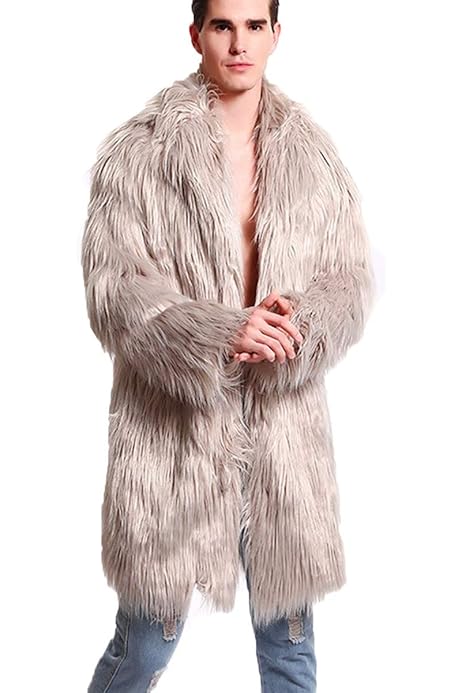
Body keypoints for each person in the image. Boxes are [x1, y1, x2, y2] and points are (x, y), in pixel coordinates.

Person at [82, 0, 376, 690]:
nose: (239, 43)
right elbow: (114, 288)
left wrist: (300, 320)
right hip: (174, 437)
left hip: (282, 439)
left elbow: (350, 278)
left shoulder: (314, 157)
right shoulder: (142, 152)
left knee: (290, 652)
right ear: (197, 34)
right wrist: (219, 330)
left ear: (276, 34)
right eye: (222, 25)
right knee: (146, 645)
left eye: (253, 26)